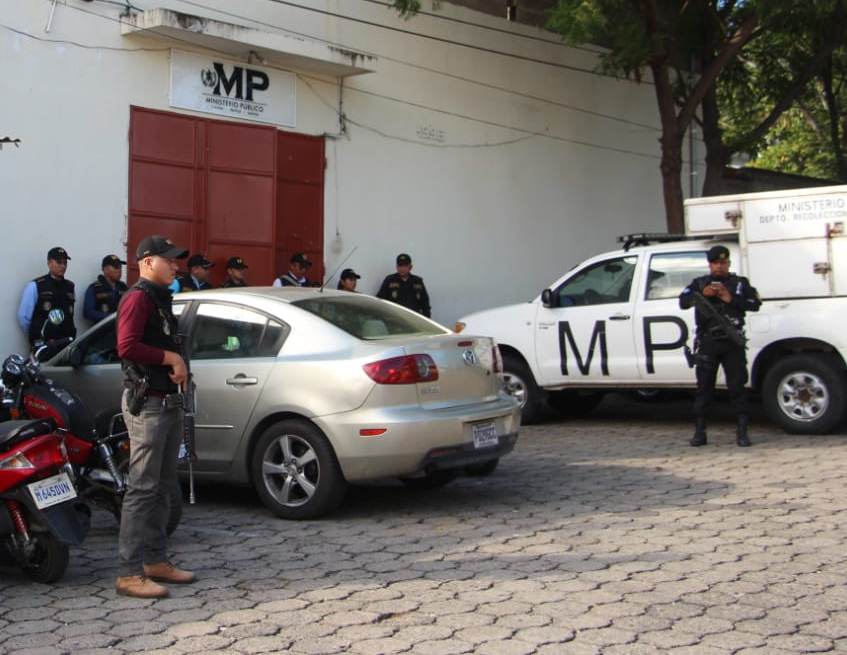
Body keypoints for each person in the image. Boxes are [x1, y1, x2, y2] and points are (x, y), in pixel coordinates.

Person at [115, 234, 194, 598]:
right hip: (147, 404)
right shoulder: (138, 298)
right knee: (142, 488)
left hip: (167, 402)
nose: (175, 266)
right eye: (169, 260)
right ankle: (129, 573)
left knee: (163, 486)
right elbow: (127, 346)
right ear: (148, 262)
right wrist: (172, 360)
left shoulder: (160, 299)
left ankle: (155, 560)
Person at [679, 245, 761, 448]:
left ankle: (742, 432)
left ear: (728, 263)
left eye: (723, 263)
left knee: (737, 388)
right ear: (710, 264)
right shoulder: (699, 283)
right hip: (708, 342)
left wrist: (730, 298)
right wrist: (703, 295)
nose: (719, 267)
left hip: (733, 342)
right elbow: (683, 301)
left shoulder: (740, 283)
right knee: (704, 388)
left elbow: (754, 304)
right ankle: (700, 432)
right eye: (715, 263)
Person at [17, 246, 76, 349]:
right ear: (49, 263)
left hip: (66, 343)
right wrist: (38, 334)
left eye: (65, 263)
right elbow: (24, 317)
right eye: (59, 262)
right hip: (44, 344)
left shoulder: (70, 286)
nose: (63, 266)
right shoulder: (36, 285)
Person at [83, 255, 128, 323]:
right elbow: (88, 312)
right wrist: (111, 317)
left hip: (121, 330)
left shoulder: (124, 287)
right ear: (105, 269)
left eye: (120, 267)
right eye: (116, 267)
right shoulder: (95, 288)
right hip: (103, 331)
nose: (119, 270)